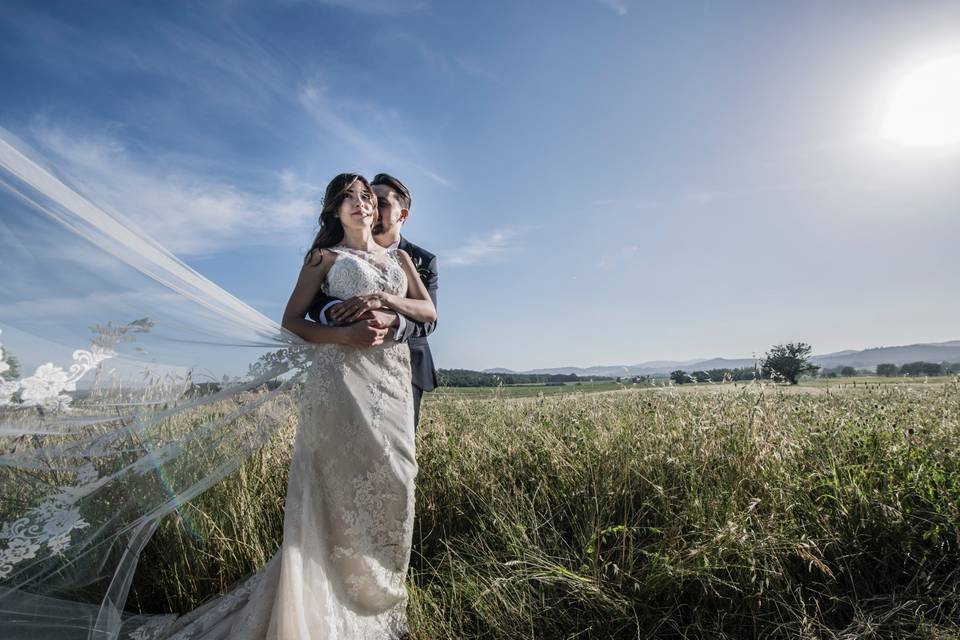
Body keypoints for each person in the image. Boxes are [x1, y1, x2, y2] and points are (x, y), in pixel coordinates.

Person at [161, 172, 435, 639]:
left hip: (390, 382)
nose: (359, 203)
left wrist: (388, 300)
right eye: (346, 197)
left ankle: (382, 600)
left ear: (376, 209)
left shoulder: (402, 258)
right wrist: (343, 334)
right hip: (341, 381)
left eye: (365, 196)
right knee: (336, 489)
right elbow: (292, 321)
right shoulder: (322, 258)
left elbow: (428, 312)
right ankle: (328, 604)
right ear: (332, 210)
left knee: (397, 481)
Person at [309, 173, 438, 428]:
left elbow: (429, 320)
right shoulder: (335, 252)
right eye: (371, 199)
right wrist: (339, 313)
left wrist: (389, 316)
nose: (371, 207)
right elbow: (314, 301)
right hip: (348, 361)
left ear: (402, 215)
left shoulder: (418, 259)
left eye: (381, 202)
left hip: (404, 367)